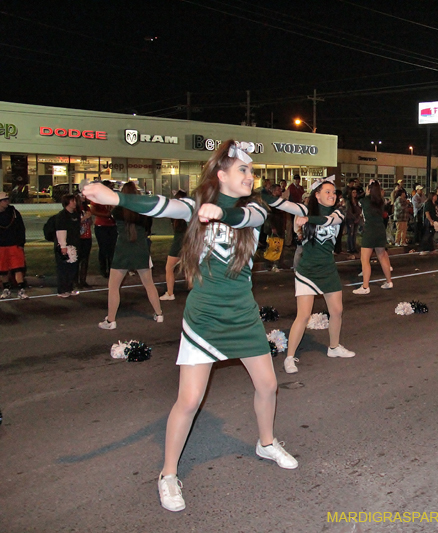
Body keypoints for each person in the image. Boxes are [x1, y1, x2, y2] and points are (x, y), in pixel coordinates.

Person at [83, 140, 297, 513]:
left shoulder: (257, 211)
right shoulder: (194, 207)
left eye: (251, 170)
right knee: (190, 400)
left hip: (243, 313)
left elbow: (244, 219)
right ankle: (167, 474)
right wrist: (115, 198)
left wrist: (221, 213)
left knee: (268, 385)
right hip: (205, 317)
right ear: (221, 174)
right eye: (243, 170)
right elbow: (160, 204)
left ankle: (266, 442)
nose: (250, 176)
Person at [262, 176, 355, 374]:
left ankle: (334, 347)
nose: (332, 195)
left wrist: (308, 220)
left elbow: (328, 220)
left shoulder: (338, 212)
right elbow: (283, 205)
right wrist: (263, 193)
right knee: (303, 316)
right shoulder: (304, 209)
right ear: (317, 195)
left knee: (337, 311)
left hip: (328, 268)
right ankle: (289, 357)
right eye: (327, 192)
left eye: (333, 192)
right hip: (308, 271)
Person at [97, 182, 163, 329]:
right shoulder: (144, 211)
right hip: (140, 248)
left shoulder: (117, 211)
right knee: (149, 284)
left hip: (123, 249)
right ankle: (159, 314)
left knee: (113, 286)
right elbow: (147, 228)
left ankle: (111, 320)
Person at [353, 180, 393, 294]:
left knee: (365, 259)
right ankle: (389, 281)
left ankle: (365, 287)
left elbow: (357, 199)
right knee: (382, 256)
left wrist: (366, 192)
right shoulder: (381, 201)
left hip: (370, 230)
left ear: (369, 190)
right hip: (380, 230)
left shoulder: (365, 200)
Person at [160, 190, 188, 300]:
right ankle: (194, 289)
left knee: (169, 267)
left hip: (180, 240)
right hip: (189, 241)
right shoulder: (188, 211)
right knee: (190, 268)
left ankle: (170, 293)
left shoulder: (177, 213)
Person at [0, 191, 28, 299]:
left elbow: (21, 228)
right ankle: (6, 289)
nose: (7, 202)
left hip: (14, 245)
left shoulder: (13, 212)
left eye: (7, 200)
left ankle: (21, 290)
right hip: (1, 246)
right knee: (3, 270)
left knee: (18, 268)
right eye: (4, 200)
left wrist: (21, 243)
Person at [54, 194, 81, 298]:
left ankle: (69, 288)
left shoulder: (75, 214)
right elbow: (61, 231)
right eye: (72, 201)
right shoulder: (62, 216)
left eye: (75, 200)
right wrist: (63, 246)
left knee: (72, 269)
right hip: (66, 245)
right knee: (63, 268)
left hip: (74, 245)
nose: (74, 203)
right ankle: (62, 290)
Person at [90, 181, 118, 278]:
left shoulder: (113, 197)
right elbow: (92, 210)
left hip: (112, 225)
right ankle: (103, 268)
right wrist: (105, 215)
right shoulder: (97, 198)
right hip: (101, 225)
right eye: (110, 187)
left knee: (112, 248)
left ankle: (111, 268)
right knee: (103, 248)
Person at [74, 193, 93, 289]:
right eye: (82, 195)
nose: (84, 197)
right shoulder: (75, 209)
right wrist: (84, 218)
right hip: (79, 237)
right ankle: (75, 281)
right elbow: (74, 223)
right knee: (77, 259)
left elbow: (90, 223)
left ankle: (83, 280)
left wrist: (89, 218)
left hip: (87, 236)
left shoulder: (87, 208)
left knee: (85, 259)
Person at [344, 187, 362, 255]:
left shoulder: (357, 201)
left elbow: (359, 209)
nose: (354, 194)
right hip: (350, 219)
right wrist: (354, 217)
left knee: (354, 234)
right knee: (350, 234)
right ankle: (349, 248)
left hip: (356, 218)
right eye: (353, 193)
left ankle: (354, 247)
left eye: (355, 192)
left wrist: (358, 217)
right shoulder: (349, 202)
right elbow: (348, 211)